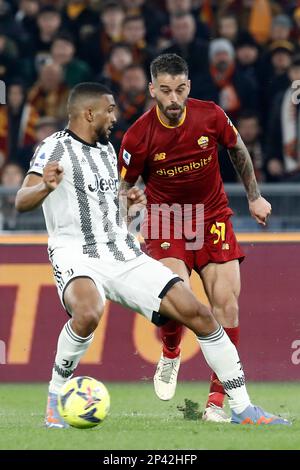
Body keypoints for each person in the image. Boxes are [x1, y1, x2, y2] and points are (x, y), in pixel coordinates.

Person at [15, 82, 289, 429]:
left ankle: (242, 407)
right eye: (109, 109)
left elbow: (107, 208)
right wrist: (44, 187)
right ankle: (55, 399)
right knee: (87, 312)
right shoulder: (53, 148)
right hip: (74, 251)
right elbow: (21, 200)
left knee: (199, 313)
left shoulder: (104, 152)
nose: (115, 116)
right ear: (89, 113)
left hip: (120, 252)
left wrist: (127, 206)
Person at [118, 54, 272, 423]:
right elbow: (124, 188)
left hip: (213, 216)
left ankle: (217, 403)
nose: (174, 99)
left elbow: (236, 148)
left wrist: (253, 196)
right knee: (177, 298)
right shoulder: (138, 136)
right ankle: (171, 349)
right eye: (166, 91)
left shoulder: (211, 115)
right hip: (166, 220)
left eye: (181, 90)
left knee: (227, 305)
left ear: (189, 86)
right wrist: (124, 228)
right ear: (153, 89)